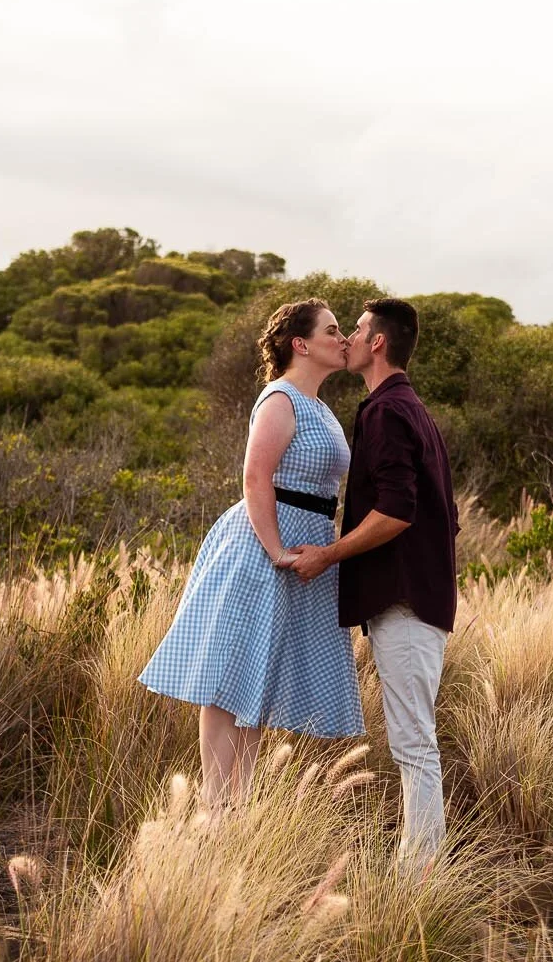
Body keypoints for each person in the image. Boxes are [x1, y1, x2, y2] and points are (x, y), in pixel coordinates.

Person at [139, 299, 364, 806]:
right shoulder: (280, 398)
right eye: (332, 330)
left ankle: (235, 809)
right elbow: (255, 476)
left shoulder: (321, 407)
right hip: (263, 545)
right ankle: (219, 808)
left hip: (308, 541)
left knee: (259, 677)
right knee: (231, 675)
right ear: (300, 344)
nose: (342, 338)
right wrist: (277, 551)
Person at [290, 298, 458, 871]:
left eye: (357, 330)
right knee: (414, 740)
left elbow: (398, 512)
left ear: (378, 342)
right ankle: (418, 867)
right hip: (419, 597)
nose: (350, 339)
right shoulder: (411, 408)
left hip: (406, 601)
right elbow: (442, 516)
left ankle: (419, 878)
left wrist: (329, 555)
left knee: (413, 744)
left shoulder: (385, 412)